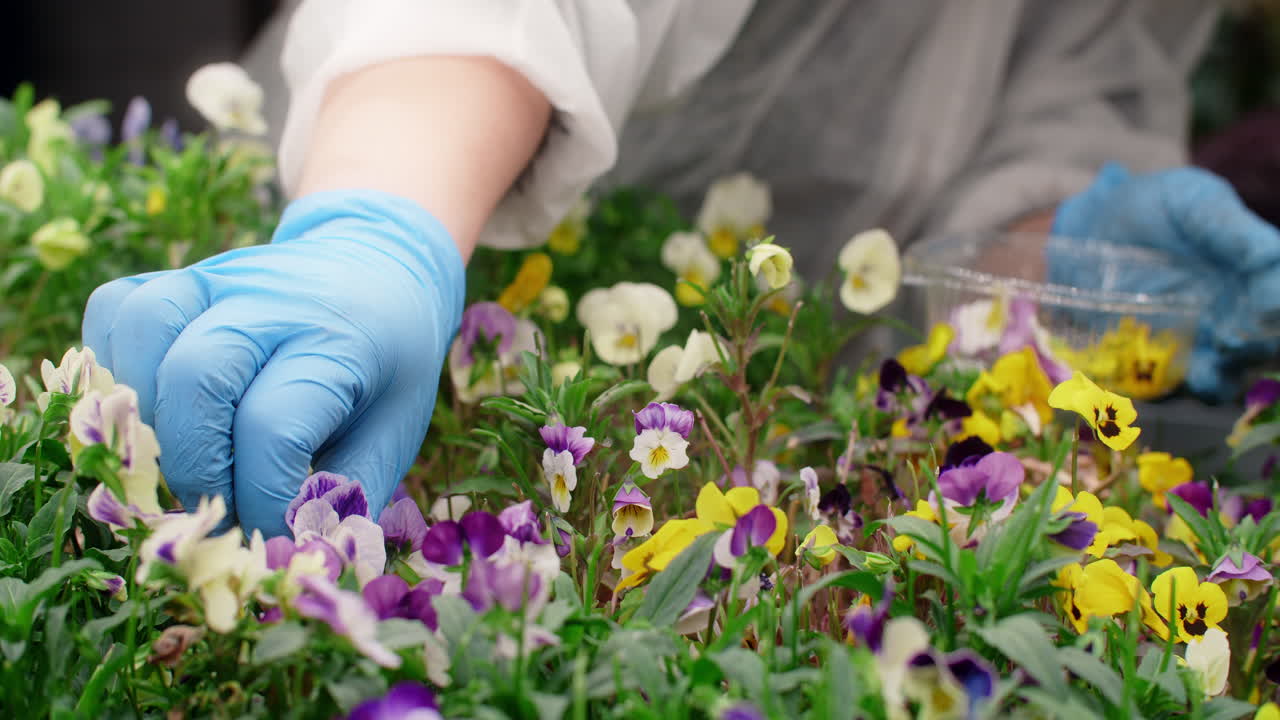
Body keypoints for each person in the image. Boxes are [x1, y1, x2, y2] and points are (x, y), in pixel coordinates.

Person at [81, 1, 1280, 536]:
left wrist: (1072, 264)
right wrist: (379, 220)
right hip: (438, 183)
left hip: (778, 416)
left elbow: (1048, 107)